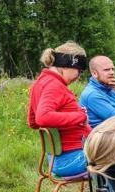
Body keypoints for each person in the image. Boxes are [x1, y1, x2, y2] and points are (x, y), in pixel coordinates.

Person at [27, 41, 90, 177]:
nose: (79, 77)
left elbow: (33, 121)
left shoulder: (40, 83)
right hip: (72, 160)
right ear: (67, 64)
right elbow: (42, 118)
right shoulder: (54, 85)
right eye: (79, 71)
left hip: (58, 160)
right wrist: (81, 117)